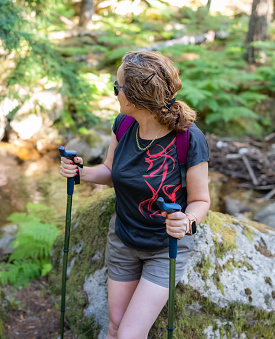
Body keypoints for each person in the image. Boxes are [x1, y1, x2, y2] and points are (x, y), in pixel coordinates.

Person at [59, 51, 210, 339]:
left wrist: (188, 221)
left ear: (136, 96)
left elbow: (201, 200)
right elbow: (109, 171)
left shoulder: (189, 139)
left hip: (165, 247)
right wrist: (80, 172)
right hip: (124, 239)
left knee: (129, 334)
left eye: (117, 87)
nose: (115, 93)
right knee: (115, 324)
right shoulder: (124, 125)